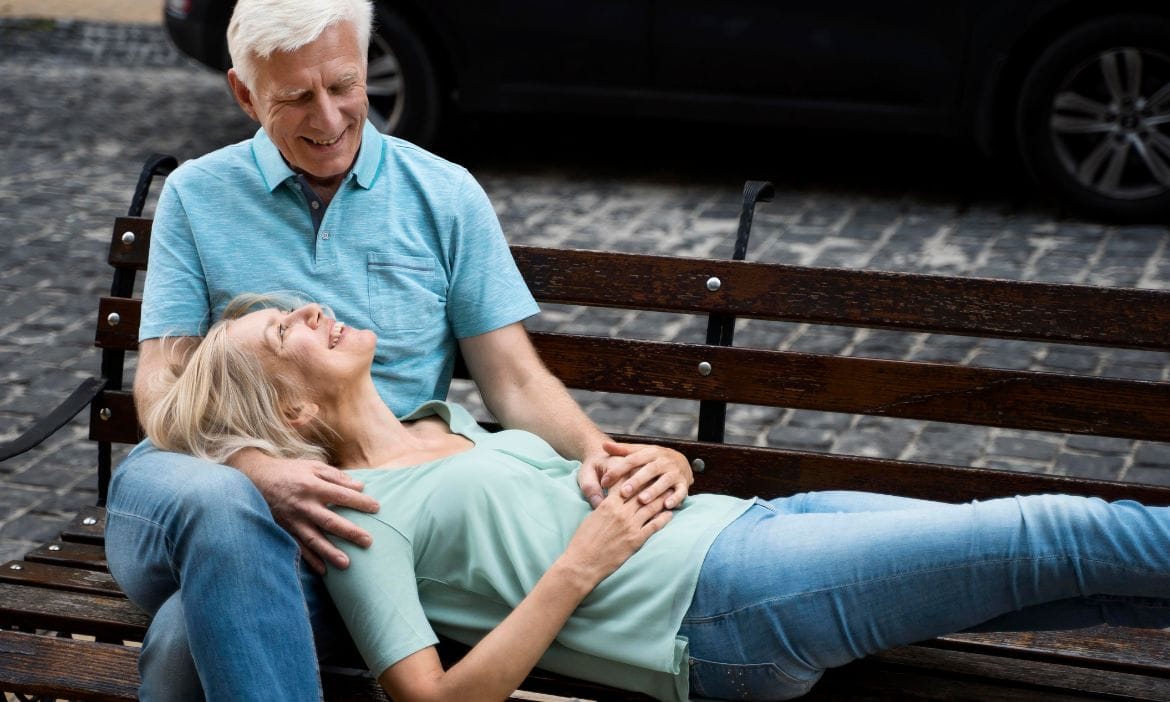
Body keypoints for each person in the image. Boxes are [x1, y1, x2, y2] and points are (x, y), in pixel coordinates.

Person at [145, 295, 1170, 702]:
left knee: (1045, 580)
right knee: (1050, 534)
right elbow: (429, 701)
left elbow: (606, 484)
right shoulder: (356, 514)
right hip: (718, 612)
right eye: (283, 332)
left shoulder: (447, 428)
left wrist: (666, 467)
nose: (308, 309)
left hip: (753, 534)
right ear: (284, 411)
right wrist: (581, 563)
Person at [103, 0, 691, 699]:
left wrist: (601, 454)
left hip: (348, 528)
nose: (327, 120)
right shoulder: (199, 195)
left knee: (181, 639)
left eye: (344, 85)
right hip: (191, 479)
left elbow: (514, 382)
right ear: (244, 93)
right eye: (294, 98)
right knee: (227, 507)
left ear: (368, 64)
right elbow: (163, 380)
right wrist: (254, 467)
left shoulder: (443, 193)